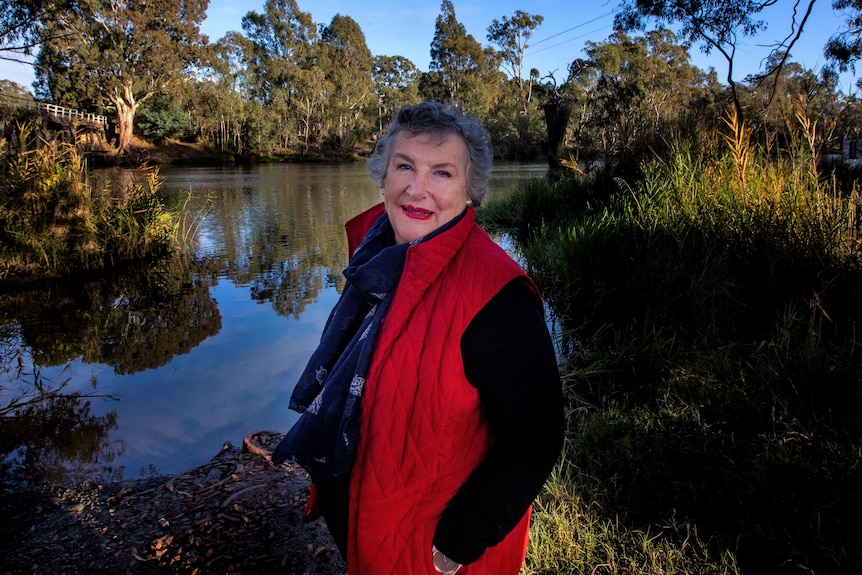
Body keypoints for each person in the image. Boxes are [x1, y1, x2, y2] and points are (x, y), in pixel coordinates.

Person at [272, 101, 564, 574]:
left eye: (442, 173)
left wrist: (454, 547)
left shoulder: (498, 296)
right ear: (383, 175)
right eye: (405, 165)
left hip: (427, 548)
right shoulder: (378, 260)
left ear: (470, 190)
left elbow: (536, 441)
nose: (417, 187)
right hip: (368, 525)